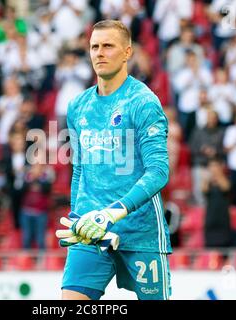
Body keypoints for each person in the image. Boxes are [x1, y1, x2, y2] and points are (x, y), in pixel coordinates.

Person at [55, 20, 171, 300]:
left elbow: (159, 171)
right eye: (94, 47)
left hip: (139, 231)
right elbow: (80, 169)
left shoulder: (143, 102)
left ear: (127, 52)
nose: (99, 53)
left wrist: (114, 212)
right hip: (91, 227)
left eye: (108, 46)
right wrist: (75, 217)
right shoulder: (78, 105)